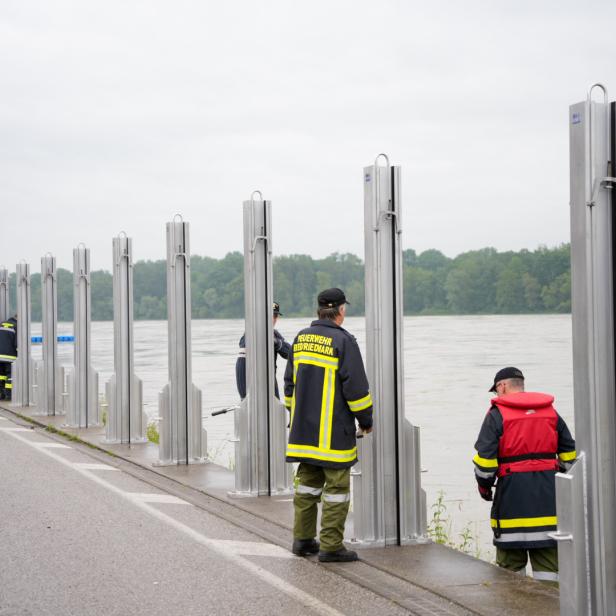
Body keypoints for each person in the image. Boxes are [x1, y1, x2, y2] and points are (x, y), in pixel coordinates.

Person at [284, 288, 373, 563]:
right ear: (341, 311)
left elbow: (289, 384)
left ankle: (302, 540)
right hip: (333, 434)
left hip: (303, 433)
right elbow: (356, 388)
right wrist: (366, 420)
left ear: (318, 310)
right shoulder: (344, 341)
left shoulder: (300, 338)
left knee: (307, 487)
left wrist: (294, 413)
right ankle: (331, 545)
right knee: (336, 491)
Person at [473, 366, 576, 583]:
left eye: (496, 390)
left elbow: (485, 464)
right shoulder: (550, 412)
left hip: (512, 502)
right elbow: (570, 456)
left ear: (502, 386)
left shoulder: (497, 415)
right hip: (549, 501)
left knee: (509, 569)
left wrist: (484, 489)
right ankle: (550, 606)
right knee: (550, 569)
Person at [235, 302, 290, 400]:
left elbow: (291, 354)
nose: (273, 319)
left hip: (271, 384)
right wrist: (244, 397)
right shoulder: (249, 336)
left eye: (275, 315)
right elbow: (240, 366)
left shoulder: (275, 334)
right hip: (255, 389)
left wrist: (278, 344)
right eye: (270, 315)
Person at [0, 315, 17, 401]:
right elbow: (17, 344)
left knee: (1, 375)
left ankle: (1, 394)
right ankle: (9, 395)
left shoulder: (1, 324)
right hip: (10, 356)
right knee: (10, 375)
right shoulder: (16, 326)